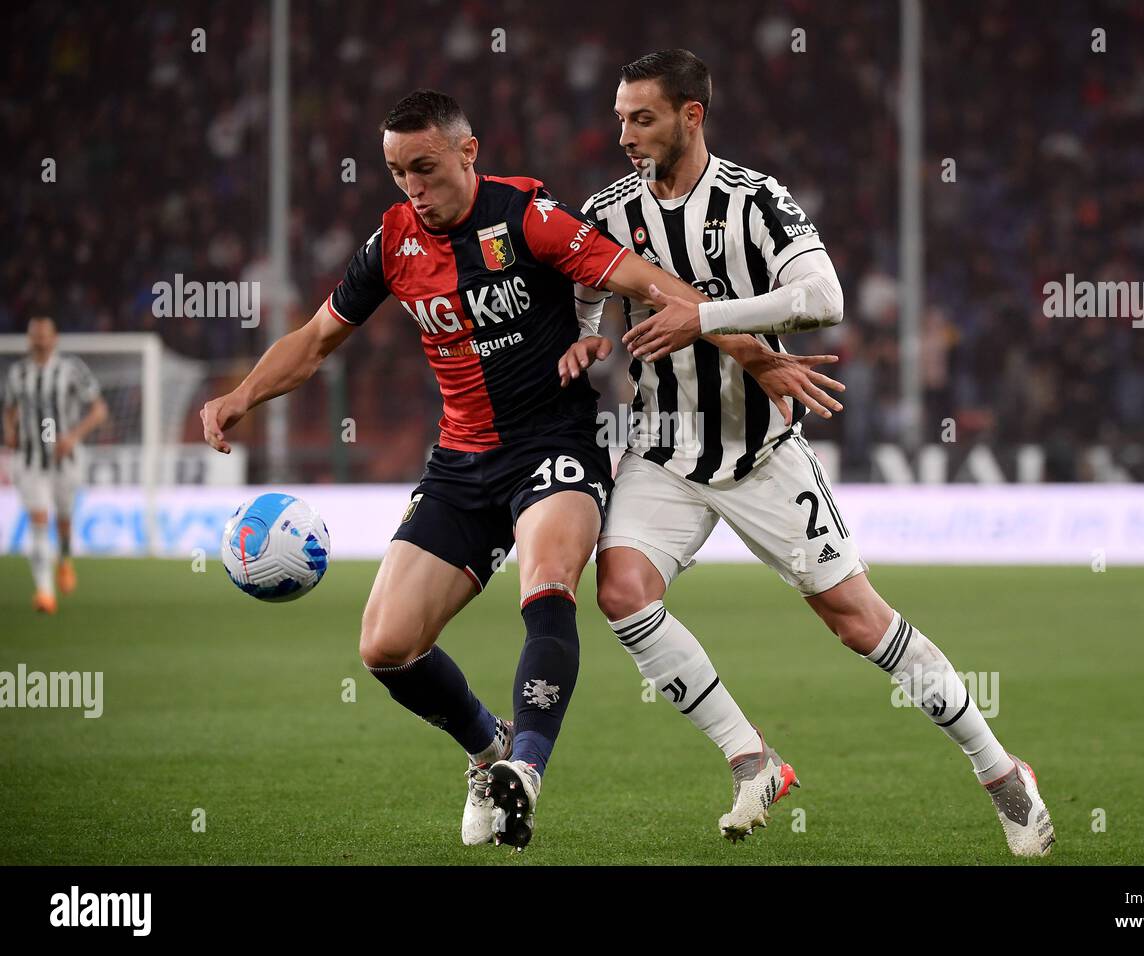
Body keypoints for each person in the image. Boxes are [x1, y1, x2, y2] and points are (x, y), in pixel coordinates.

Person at [200, 89, 833, 851]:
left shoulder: (530, 218)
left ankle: (526, 772)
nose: (412, 188)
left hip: (555, 447)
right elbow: (314, 339)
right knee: (384, 646)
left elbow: (651, 286)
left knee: (549, 585)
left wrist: (758, 357)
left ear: (469, 153)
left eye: (425, 168)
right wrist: (242, 396)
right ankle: (490, 748)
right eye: (398, 172)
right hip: (461, 462)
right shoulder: (391, 242)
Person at [564, 50, 1054, 854]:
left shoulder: (756, 199)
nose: (624, 134)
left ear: (692, 116)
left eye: (641, 117)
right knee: (621, 592)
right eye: (619, 117)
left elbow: (823, 297)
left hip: (762, 452)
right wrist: (587, 339)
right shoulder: (610, 210)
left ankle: (1001, 771)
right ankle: (753, 756)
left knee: (857, 622)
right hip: (662, 451)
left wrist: (708, 318)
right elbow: (586, 290)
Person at [3, 316, 107, 613]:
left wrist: (72, 437)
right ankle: (44, 592)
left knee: (63, 520)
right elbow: (9, 410)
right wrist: (10, 431)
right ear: (28, 338)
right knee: (38, 520)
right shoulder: (18, 374)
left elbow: (99, 410)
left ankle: (64, 558)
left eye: (44, 335)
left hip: (66, 459)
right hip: (30, 460)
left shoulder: (71, 370)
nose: (39, 341)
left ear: (54, 337)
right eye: (34, 335)